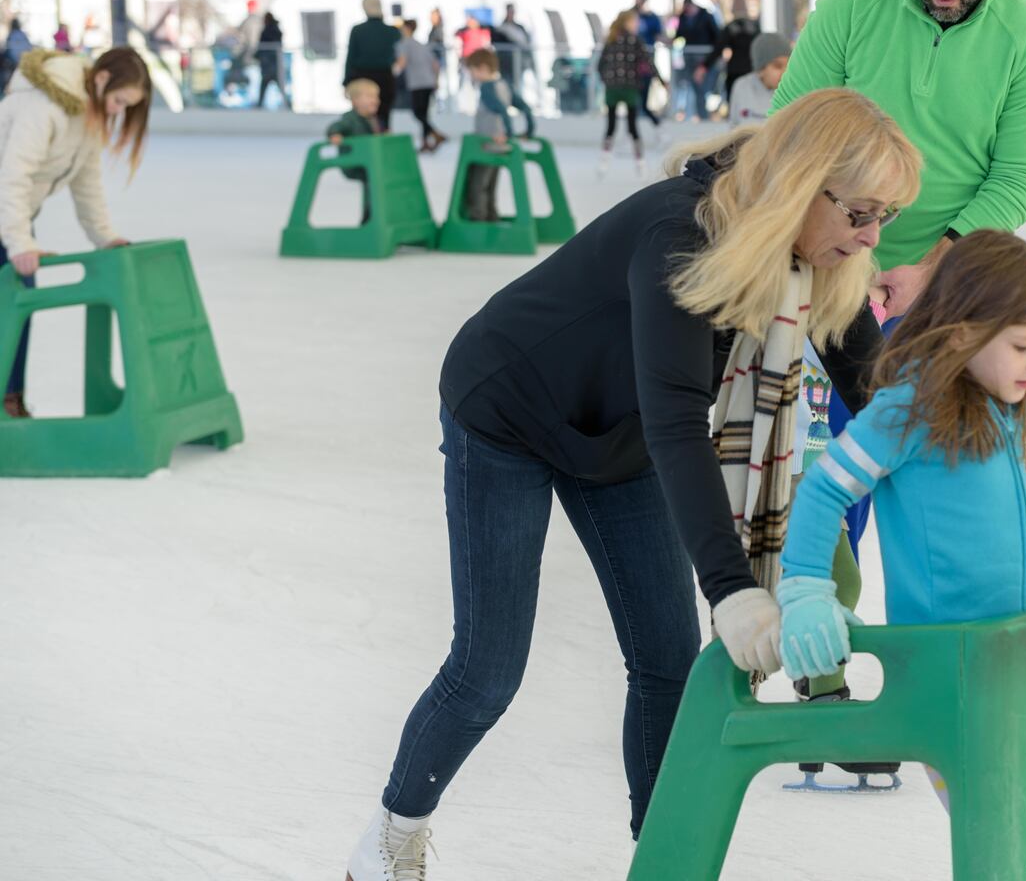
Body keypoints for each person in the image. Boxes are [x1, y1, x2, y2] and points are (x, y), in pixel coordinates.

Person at [343, 88, 923, 879]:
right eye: (860, 213)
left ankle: (664, 862)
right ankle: (392, 836)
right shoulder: (682, 233)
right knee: (488, 669)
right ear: (803, 183)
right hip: (508, 410)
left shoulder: (822, 260)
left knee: (664, 660)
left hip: (615, 436)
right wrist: (732, 588)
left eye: (883, 218)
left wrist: (965, 480)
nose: (869, 238)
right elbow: (678, 421)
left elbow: (874, 393)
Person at [771, 0, 1026, 559]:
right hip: (830, 267)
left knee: (942, 475)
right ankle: (820, 616)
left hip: (945, 290)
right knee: (824, 469)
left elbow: (1019, 178)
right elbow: (788, 129)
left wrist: (931, 269)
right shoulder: (853, 4)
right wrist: (840, 251)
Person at [777, 229, 1026, 811]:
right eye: (1024, 344)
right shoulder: (908, 412)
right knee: (996, 814)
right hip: (944, 666)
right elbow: (825, 488)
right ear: (963, 333)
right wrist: (807, 587)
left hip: (1005, 646)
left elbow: (1020, 490)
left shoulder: (997, 402)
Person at [0, 47, 151, 418]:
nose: (118, 111)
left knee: (17, 303)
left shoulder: (88, 117)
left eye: (127, 106)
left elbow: (87, 183)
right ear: (100, 79)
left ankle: (10, 397)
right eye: (118, 100)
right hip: (8, 209)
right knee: (14, 301)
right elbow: (12, 178)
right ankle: (9, 397)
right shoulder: (44, 107)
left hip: (10, 214)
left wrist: (104, 236)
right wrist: (20, 241)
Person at [595, 10, 661, 178]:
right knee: (632, 126)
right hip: (629, 86)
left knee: (611, 126)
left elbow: (600, 64)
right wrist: (660, 79)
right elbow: (648, 60)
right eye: (635, 21)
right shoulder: (634, 40)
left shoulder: (611, 40)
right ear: (627, 22)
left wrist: (607, 80)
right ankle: (640, 164)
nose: (637, 24)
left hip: (614, 87)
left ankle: (604, 162)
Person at [460, 47, 513, 222]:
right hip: (498, 145)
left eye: (472, 71)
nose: (472, 76)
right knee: (490, 185)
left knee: (478, 185)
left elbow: (501, 110)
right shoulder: (503, 85)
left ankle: (479, 218)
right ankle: (491, 215)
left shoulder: (487, 88)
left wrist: (509, 131)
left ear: (482, 68)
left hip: (486, 145)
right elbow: (522, 108)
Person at [326, 79, 384, 225]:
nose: (376, 100)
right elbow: (336, 126)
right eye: (370, 97)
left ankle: (379, 214)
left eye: (376, 97)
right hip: (353, 162)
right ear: (355, 100)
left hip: (369, 161)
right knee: (373, 181)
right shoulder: (350, 119)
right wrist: (335, 134)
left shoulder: (373, 119)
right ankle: (369, 217)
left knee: (380, 180)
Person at [344, 0, 401, 130]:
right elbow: (398, 57)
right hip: (385, 78)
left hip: (361, 78)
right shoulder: (393, 32)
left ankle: (365, 144)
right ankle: (384, 146)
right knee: (384, 117)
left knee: (362, 117)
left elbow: (350, 57)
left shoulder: (358, 30)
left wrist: (346, 82)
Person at [704, 0, 760, 109]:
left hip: (736, 70)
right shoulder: (754, 28)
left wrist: (704, 65)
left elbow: (718, 48)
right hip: (749, 70)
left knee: (736, 104)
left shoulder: (731, 28)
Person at [394, 19, 445, 152]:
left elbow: (402, 62)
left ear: (407, 29)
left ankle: (435, 134)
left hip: (417, 83)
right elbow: (435, 65)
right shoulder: (422, 45)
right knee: (423, 113)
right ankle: (426, 143)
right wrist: (436, 80)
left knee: (417, 113)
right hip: (429, 82)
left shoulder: (404, 44)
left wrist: (391, 73)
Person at [489, 4, 536, 137]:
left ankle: (522, 128)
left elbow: (525, 44)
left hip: (517, 66)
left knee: (516, 91)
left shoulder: (519, 28)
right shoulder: (500, 29)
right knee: (506, 90)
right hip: (505, 66)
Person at [728, 32, 791, 128]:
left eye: (789, 65)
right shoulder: (742, 87)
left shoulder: (792, 91)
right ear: (760, 69)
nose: (785, 72)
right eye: (777, 66)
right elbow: (734, 126)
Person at [676, 0, 720, 121]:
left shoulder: (706, 16)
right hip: (690, 57)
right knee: (695, 85)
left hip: (704, 57)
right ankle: (700, 113)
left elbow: (716, 35)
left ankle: (703, 113)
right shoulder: (683, 17)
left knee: (704, 86)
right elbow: (679, 34)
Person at [634, 0, 665, 129]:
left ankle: (657, 127)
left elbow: (659, 36)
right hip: (631, 67)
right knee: (634, 102)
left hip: (645, 64)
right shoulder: (631, 15)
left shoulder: (652, 18)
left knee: (643, 101)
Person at [255, 12, 287, 108]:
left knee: (267, 83)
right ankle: (286, 103)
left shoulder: (268, 31)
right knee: (277, 85)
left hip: (269, 63)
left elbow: (263, 45)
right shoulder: (276, 30)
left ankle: (260, 104)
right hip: (273, 64)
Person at [2, 19, 33, 93]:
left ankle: (8, 89)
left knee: (10, 76)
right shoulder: (23, 34)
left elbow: (9, 49)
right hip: (23, 59)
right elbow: (28, 47)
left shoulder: (11, 35)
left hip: (13, 61)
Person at [427, 9, 448, 111]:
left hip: (437, 60)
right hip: (434, 61)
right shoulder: (434, 28)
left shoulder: (439, 29)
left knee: (439, 82)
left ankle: (441, 106)